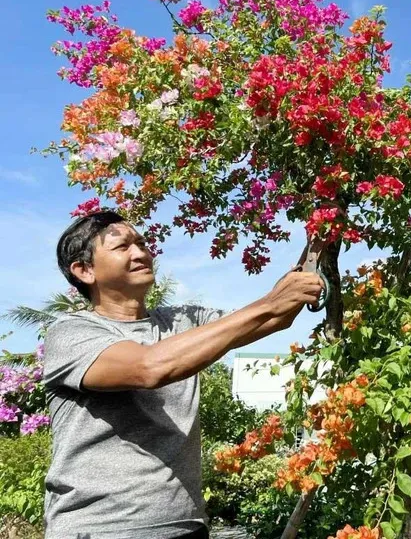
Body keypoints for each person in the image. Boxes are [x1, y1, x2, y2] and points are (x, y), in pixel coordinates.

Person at [42, 210, 324, 539]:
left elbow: (272, 316)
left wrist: (320, 235)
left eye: (142, 244)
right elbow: (148, 368)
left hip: (185, 527)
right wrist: (271, 304)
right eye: (123, 247)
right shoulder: (72, 332)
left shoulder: (182, 322)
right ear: (84, 270)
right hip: (101, 529)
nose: (141, 253)